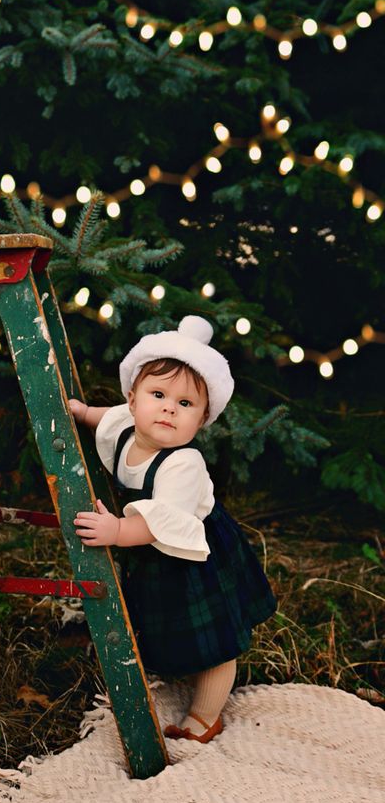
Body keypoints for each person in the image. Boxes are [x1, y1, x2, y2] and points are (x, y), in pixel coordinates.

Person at [69, 315, 277, 744]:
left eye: (185, 405)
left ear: (201, 421)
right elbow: (103, 419)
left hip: (193, 555)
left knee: (216, 641)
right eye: (158, 394)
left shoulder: (183, 462)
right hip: (154, 554)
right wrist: (81, 412)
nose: (168, 407)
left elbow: (153, 524)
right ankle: (174, 663)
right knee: (166, 621)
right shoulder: (125, 428)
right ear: (133, 400)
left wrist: (116, 531)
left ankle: (205, 717)